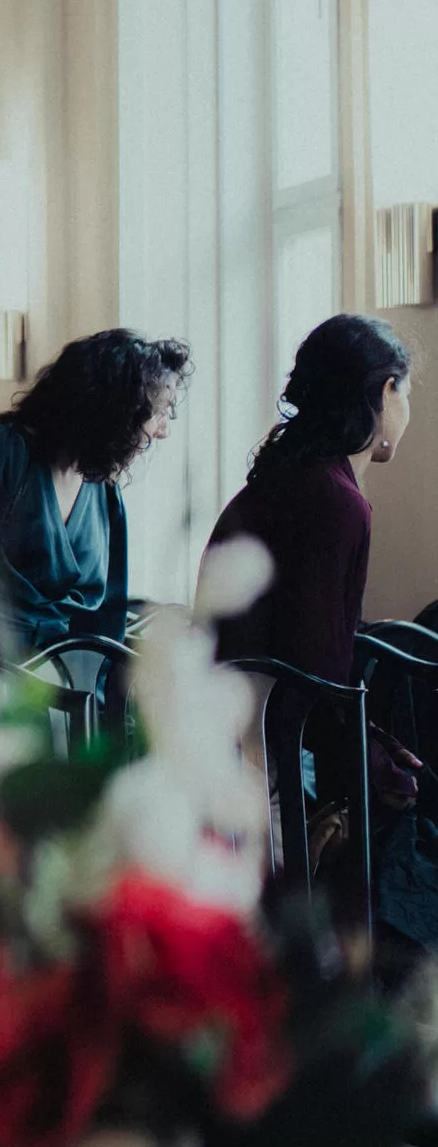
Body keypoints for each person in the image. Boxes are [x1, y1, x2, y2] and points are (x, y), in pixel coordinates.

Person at [205, 317, 425, 954]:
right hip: (265, 750)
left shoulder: (286, 481)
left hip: (232, 728)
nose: (407, 411)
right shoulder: (334, 500)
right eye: (406, 394)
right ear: (384, 392)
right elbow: (317, 673)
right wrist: (381, 762)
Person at [0, 328, 189, 666]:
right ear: (116, 408)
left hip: (66, 681)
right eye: (158, 412)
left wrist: (94, 690)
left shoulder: (103, 491)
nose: (162, 430)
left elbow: (106, 621)